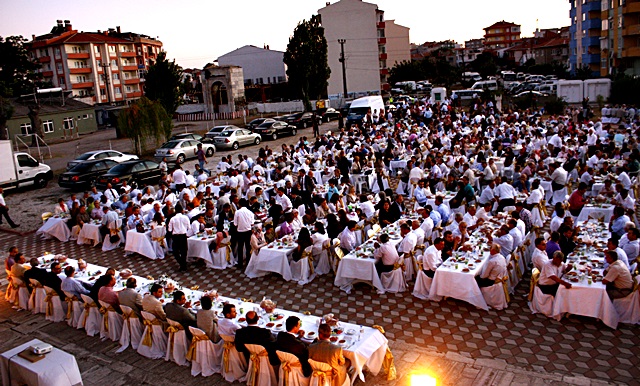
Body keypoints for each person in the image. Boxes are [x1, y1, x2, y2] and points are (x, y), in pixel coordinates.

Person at [234, 198, 255, 269]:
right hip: (248, 231)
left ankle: (240, 264)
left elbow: (235, 224)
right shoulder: (250, 212)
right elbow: (252, 223)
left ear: (239, 204)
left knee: (240, 248)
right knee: (248, 247)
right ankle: (248, 262)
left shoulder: (237, 212)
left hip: (240, 232)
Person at [168, 204, 190, 272]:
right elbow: (189, 227)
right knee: (184, 251)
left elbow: (169, 230)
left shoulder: (172, 219)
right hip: (183, 236)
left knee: (175, 252)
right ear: (182, 210)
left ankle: (182, 264)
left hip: (176, 237)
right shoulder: (186, 218)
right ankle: (183, 264)